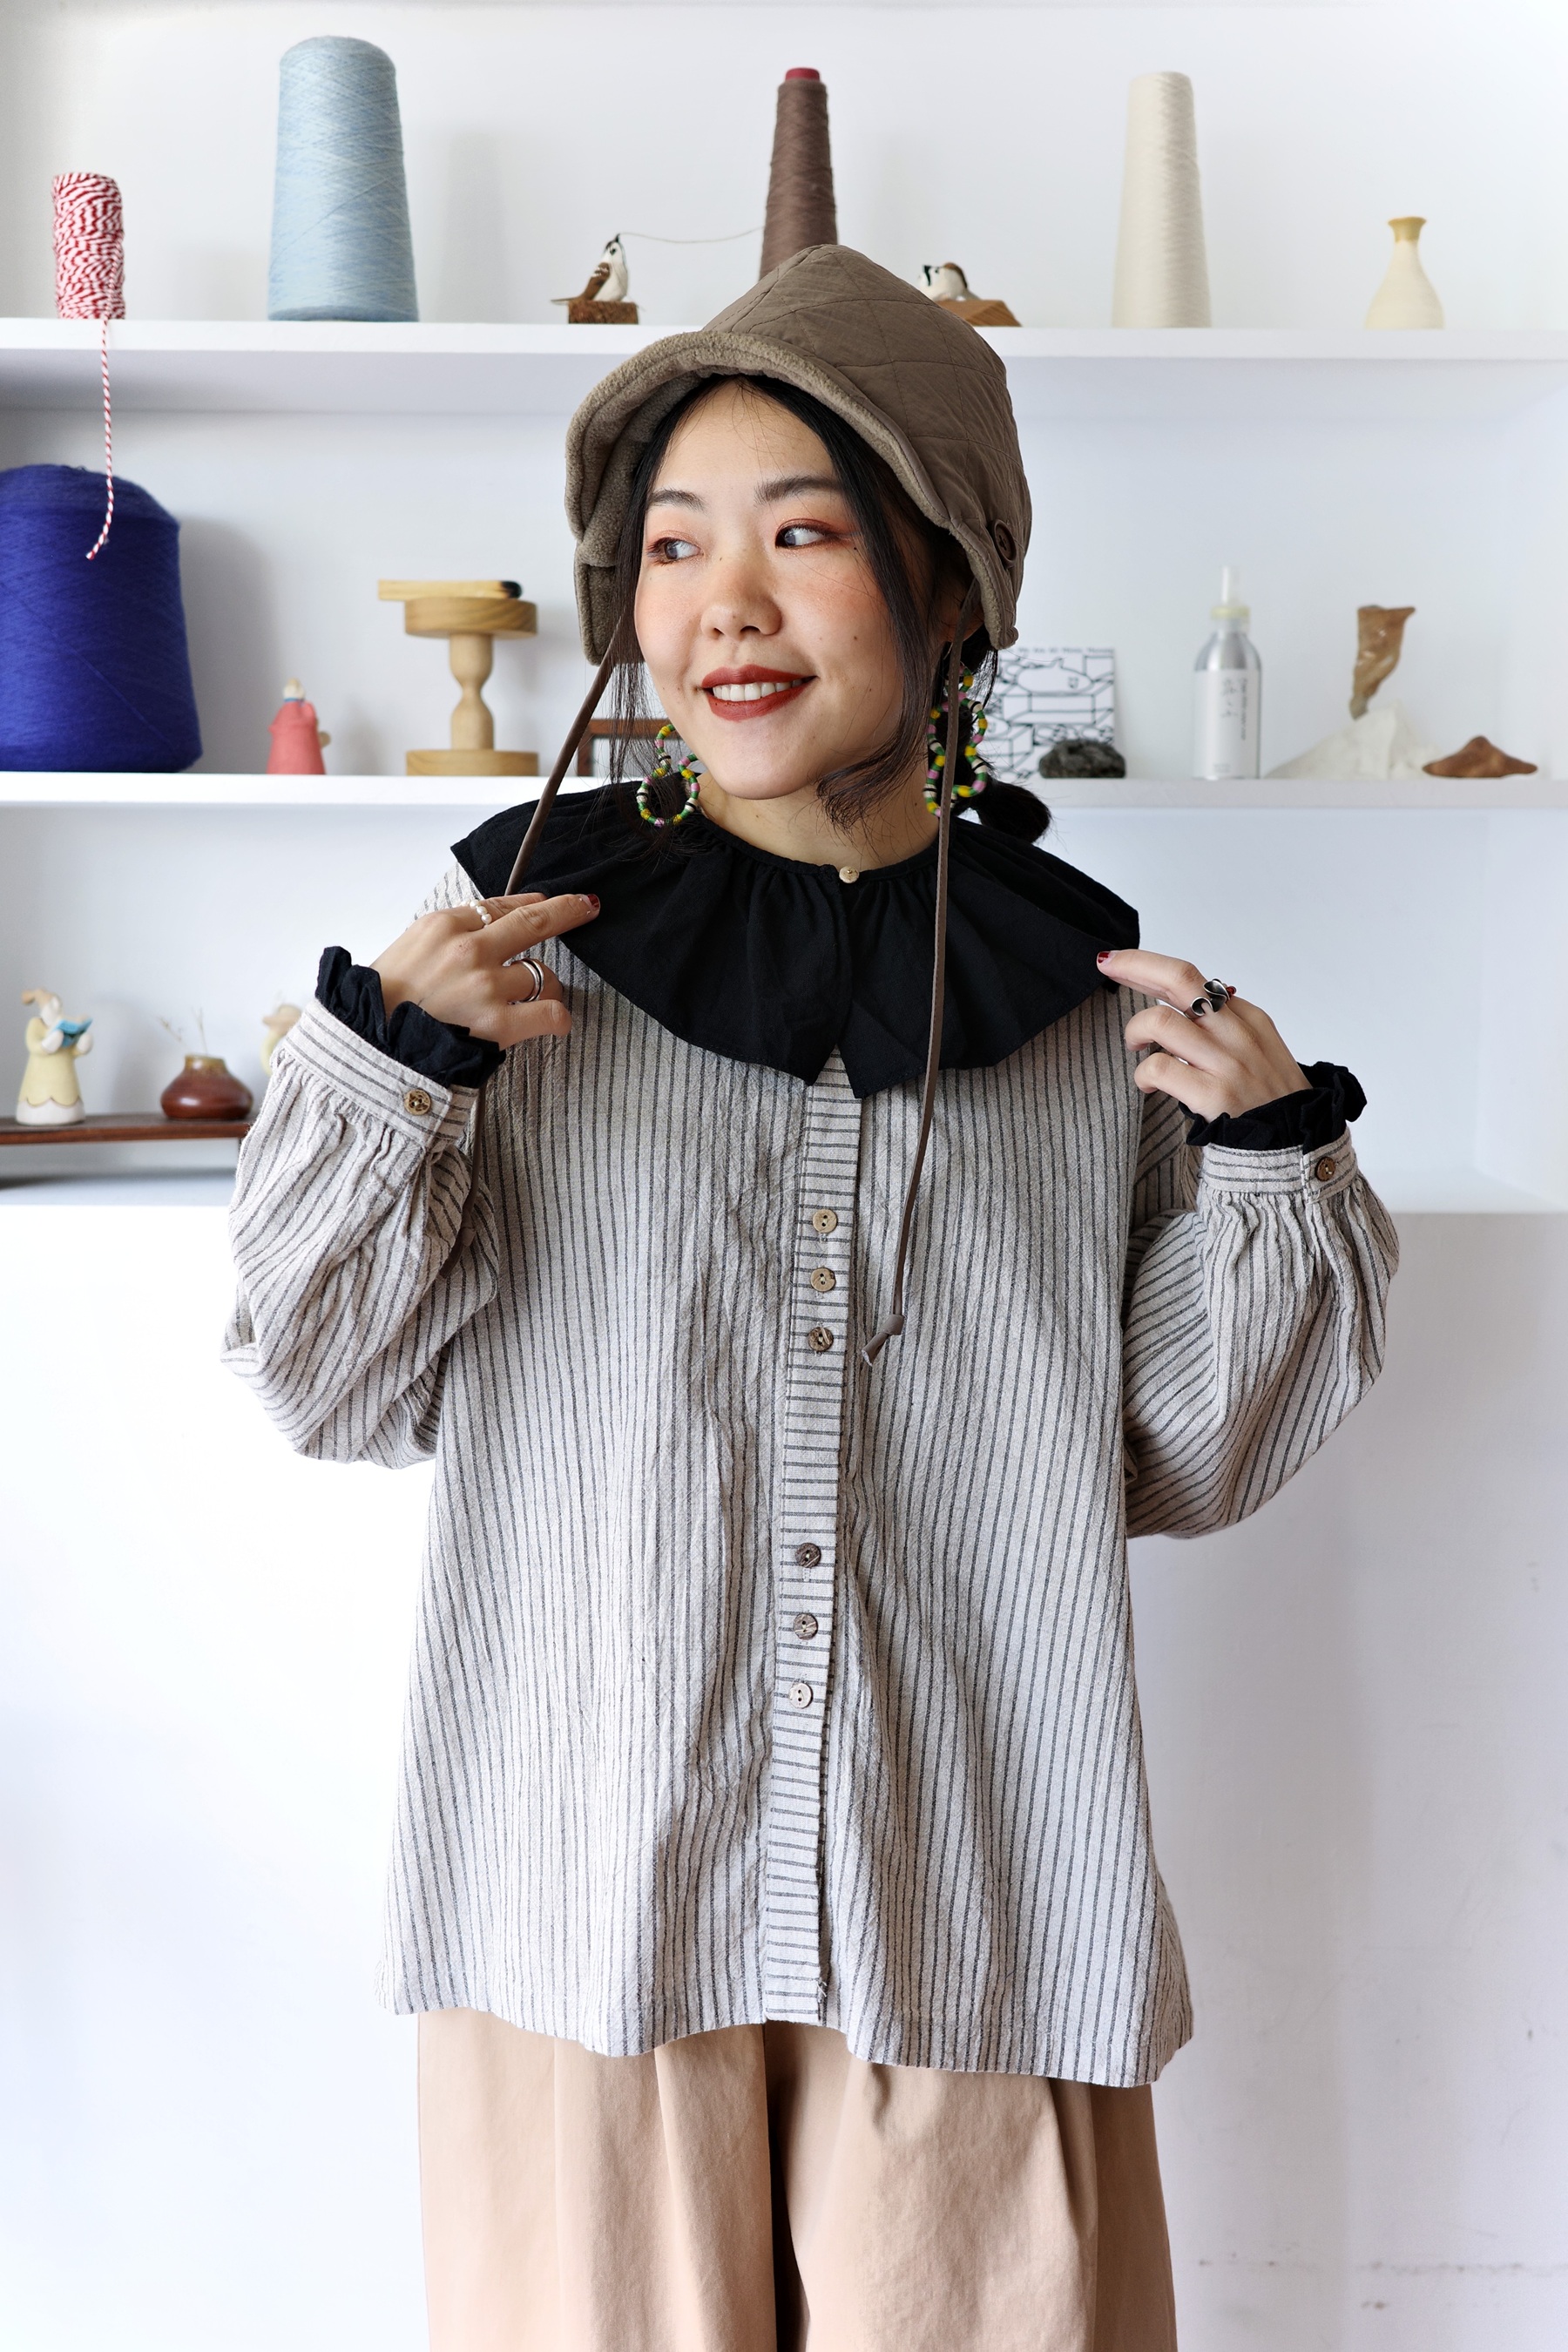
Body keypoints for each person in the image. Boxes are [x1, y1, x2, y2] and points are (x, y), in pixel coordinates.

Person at [224, 247, 1396, 2352]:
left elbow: (1176, 1459)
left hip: (977, 1917)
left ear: (946, 586)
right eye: (675, 546)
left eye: (802, 535)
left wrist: (1272, 1163)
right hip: (587, 1920)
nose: (724, 606)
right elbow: (323, 1384)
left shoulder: (1081, 1010)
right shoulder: (512, 965)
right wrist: (386, 1081)